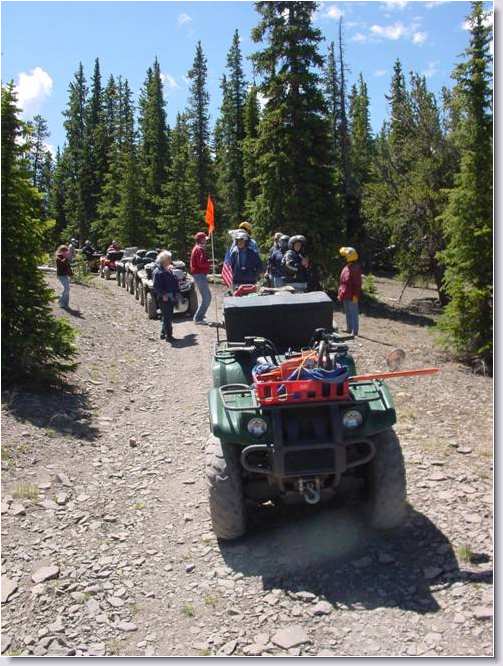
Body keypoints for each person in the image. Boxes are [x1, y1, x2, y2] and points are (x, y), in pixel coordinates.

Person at [153, 251, 180, 342]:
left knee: (167, 316)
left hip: (170, 296)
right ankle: (169, 336)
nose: (170, 260)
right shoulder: (158, 272)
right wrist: (163, 295)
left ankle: (163, 333)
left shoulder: (167, 269)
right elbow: (156, 286)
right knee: (167, 317)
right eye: (169, 259)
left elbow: (173, 281)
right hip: (164, 298)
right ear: (164, 260)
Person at [337, 246, 362, 336]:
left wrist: (355, 295)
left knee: (353, 312)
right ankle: (349, 328)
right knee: (347, 312)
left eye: (345, 256)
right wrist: (340, 293)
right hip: (345, 294)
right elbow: (342, 282)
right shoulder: (347, 267)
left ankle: (354, 331)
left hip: (352, 294)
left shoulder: (355, 269)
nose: (344, 258)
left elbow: (357, 283)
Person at [190, 232, 212, 325]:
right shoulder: (199, 249)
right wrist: (210, 264)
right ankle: (198, 318)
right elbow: (200, 263)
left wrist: (208, 262)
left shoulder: (197, 248)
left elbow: (200, 262)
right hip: (199, 275)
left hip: (199, 275)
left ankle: (199, 316)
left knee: (207, 297)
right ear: (201, 240)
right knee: (207, 297)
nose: (206, 241)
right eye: (204, 239)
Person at [55, 245, 73, 309]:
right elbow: (61, 264)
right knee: (66, 289)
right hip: (61, 275)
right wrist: (66, 258)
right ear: (61, 251)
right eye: (64, 251)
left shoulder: (65, 258)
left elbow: (68, 267)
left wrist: (71, 274)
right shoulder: (58, 258)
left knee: (67, 289)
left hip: (65, 275)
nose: (66, 253)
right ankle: (61, 302)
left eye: (66, 251)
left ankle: (65, 304)